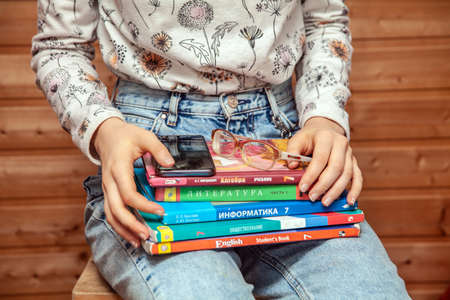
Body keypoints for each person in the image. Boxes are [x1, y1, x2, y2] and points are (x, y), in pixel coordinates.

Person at [31, 0, 411, 299]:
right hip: (148, 148)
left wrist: (324, 117)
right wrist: (105, 130)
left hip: (286, 149)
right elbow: (59, 45)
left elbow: (325, 22)